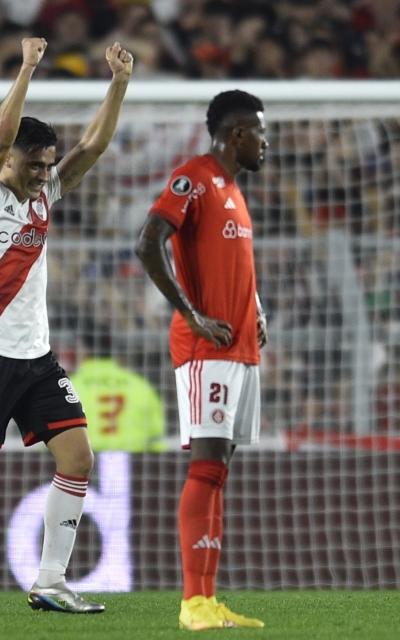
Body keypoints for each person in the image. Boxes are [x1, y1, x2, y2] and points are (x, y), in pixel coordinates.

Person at [0, 37, 133, 616]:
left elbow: (94, 145)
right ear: (7, 160)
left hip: (38, 356)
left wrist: (119, 83)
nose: (43, 173)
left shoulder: (44, 195)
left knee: (78, 459)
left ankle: (50, 582)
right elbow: (0, 136)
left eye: (48, 164)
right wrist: (26, 66)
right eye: (34, 163)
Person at [135, 89, 268, 630]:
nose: (266, 143)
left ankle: (209, 599)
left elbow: (230, 263)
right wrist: (190, 315)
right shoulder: (193, 177)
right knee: (206, 465)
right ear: (237, 134)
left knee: (219, 471)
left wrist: (257, 307)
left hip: (239, 347)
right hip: (205, 347)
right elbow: (148, 243)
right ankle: (192, 601)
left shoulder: (233, 189)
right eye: (260, 132)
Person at [70, 332, 167, 453]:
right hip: (134, 460)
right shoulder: (139, 385)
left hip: (84, 461)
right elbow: (156, 435)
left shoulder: (70, 387)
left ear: (84, 351)